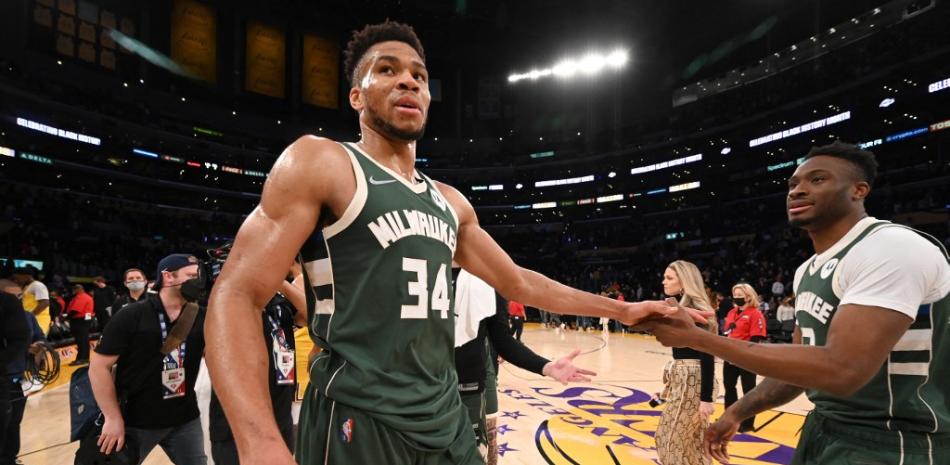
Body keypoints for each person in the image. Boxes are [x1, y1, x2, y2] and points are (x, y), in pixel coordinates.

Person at [204, 20, 708, 465]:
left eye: (419, 76)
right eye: (386, 69)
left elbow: (518, 281)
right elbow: (235, 294)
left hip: (445, 416)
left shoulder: (450, 202)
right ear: (356, 96)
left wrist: (624, 311)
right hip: (359, 417)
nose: (408, 80)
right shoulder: (323, 162)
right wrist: (259, 443)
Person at [649, 142, 950, 465]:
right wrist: (736, 412)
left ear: (859, 190)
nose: (798, 191)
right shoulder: (808, 270)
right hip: (824, 427)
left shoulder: (891, 247)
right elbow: (796, 370)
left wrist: (699, 338)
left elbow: (843, 369)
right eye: (793, 184)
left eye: (817, 180)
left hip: (895, 440)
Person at [453, 269, 593, 461]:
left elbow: (503, 340)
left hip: (469, 392)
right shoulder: (412, 265)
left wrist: (546, 366)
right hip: (419, 389)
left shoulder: (488, 277)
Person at [89, 254, 207, 465]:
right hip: (134, 421)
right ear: (168, 277)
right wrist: (112, 418)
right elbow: (98, 367)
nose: (197, 281)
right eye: (190, 275)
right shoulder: (131, 315)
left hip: (185, 419)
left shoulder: (202, 316)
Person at [208, 262, 307, 465]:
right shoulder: (225, 303)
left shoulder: (279, 303)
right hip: (240, 422)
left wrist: (280, 281)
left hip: (280, 412)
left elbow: (311, 316)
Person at [655, 261, 718, 465]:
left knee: (669, 440)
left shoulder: (694, 310)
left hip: (693, 382)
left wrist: (706, 398)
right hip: (686, 381)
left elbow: (707, 354)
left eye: (669, 277)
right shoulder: (684, 308)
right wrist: (666, 391)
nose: (664, 281)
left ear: (685, 282)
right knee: (694, 444)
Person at [720, 283, 765, 432]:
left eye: (740, 296)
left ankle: (747, 422)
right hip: (730, 357)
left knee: (749, 391)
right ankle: (728, 418)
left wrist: (742, 355)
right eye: (735, 295)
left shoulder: (755, 314)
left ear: (748, 296)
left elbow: (756, 338)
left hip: (746, 358)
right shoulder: (732, 312)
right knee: (729, 388)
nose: (737, 298)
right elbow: (727, 333)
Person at [0, 279, 30, 465]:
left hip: (15, 379)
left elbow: (34, 338)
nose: (19, 300)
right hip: (8, 377)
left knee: (12, 424)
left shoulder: (25, 317)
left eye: (20, 296)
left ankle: (10, 458)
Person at [11, 268, 49, 335]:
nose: (16, 281)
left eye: (18, 278)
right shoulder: (27, 287)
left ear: (27, 276)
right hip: (30, 322)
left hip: (38, 322)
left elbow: (45, 302)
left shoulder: (37, 285)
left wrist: (30, 316)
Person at [66, 284, 95, 366]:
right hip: (86, 319)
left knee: (81, 340)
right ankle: (84, 358)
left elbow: (75, 310)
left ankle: (82, 359)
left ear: (78, 289)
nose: (73, 291)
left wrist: (66, 318)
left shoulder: (81, 297)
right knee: (84, 340)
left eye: (74, 289)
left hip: (80, 320)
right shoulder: (87, 296)